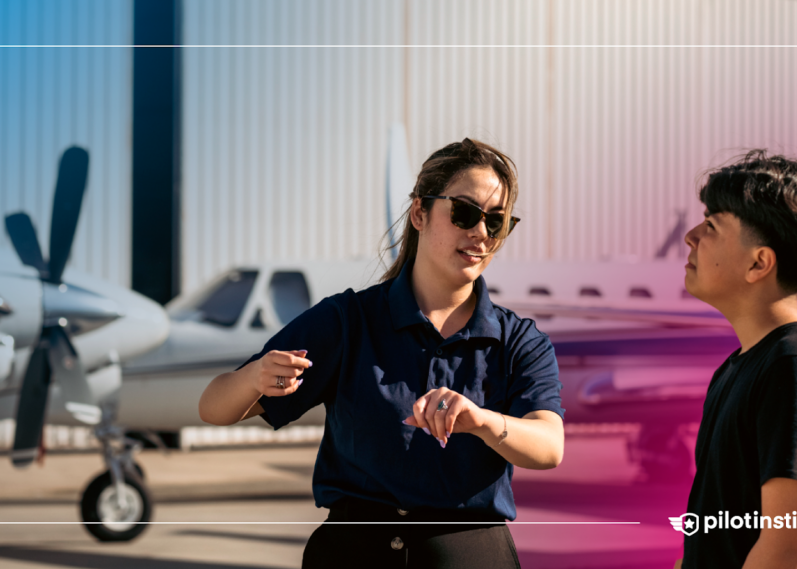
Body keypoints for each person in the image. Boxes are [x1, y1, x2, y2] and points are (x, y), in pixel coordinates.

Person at [199, 138, 565, 568]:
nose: (481, 233)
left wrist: (482, 421)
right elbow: (213, 408)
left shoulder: (520, 340)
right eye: (465, 213)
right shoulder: (346, 321)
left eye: (497, 222)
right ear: (419, 213)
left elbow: (549, 445)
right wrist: (253, 377)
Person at [675, 150, 797, 569]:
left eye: (711, 225)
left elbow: (786, 547)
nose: (691, 236)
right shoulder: (739, 367)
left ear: (759, 263)